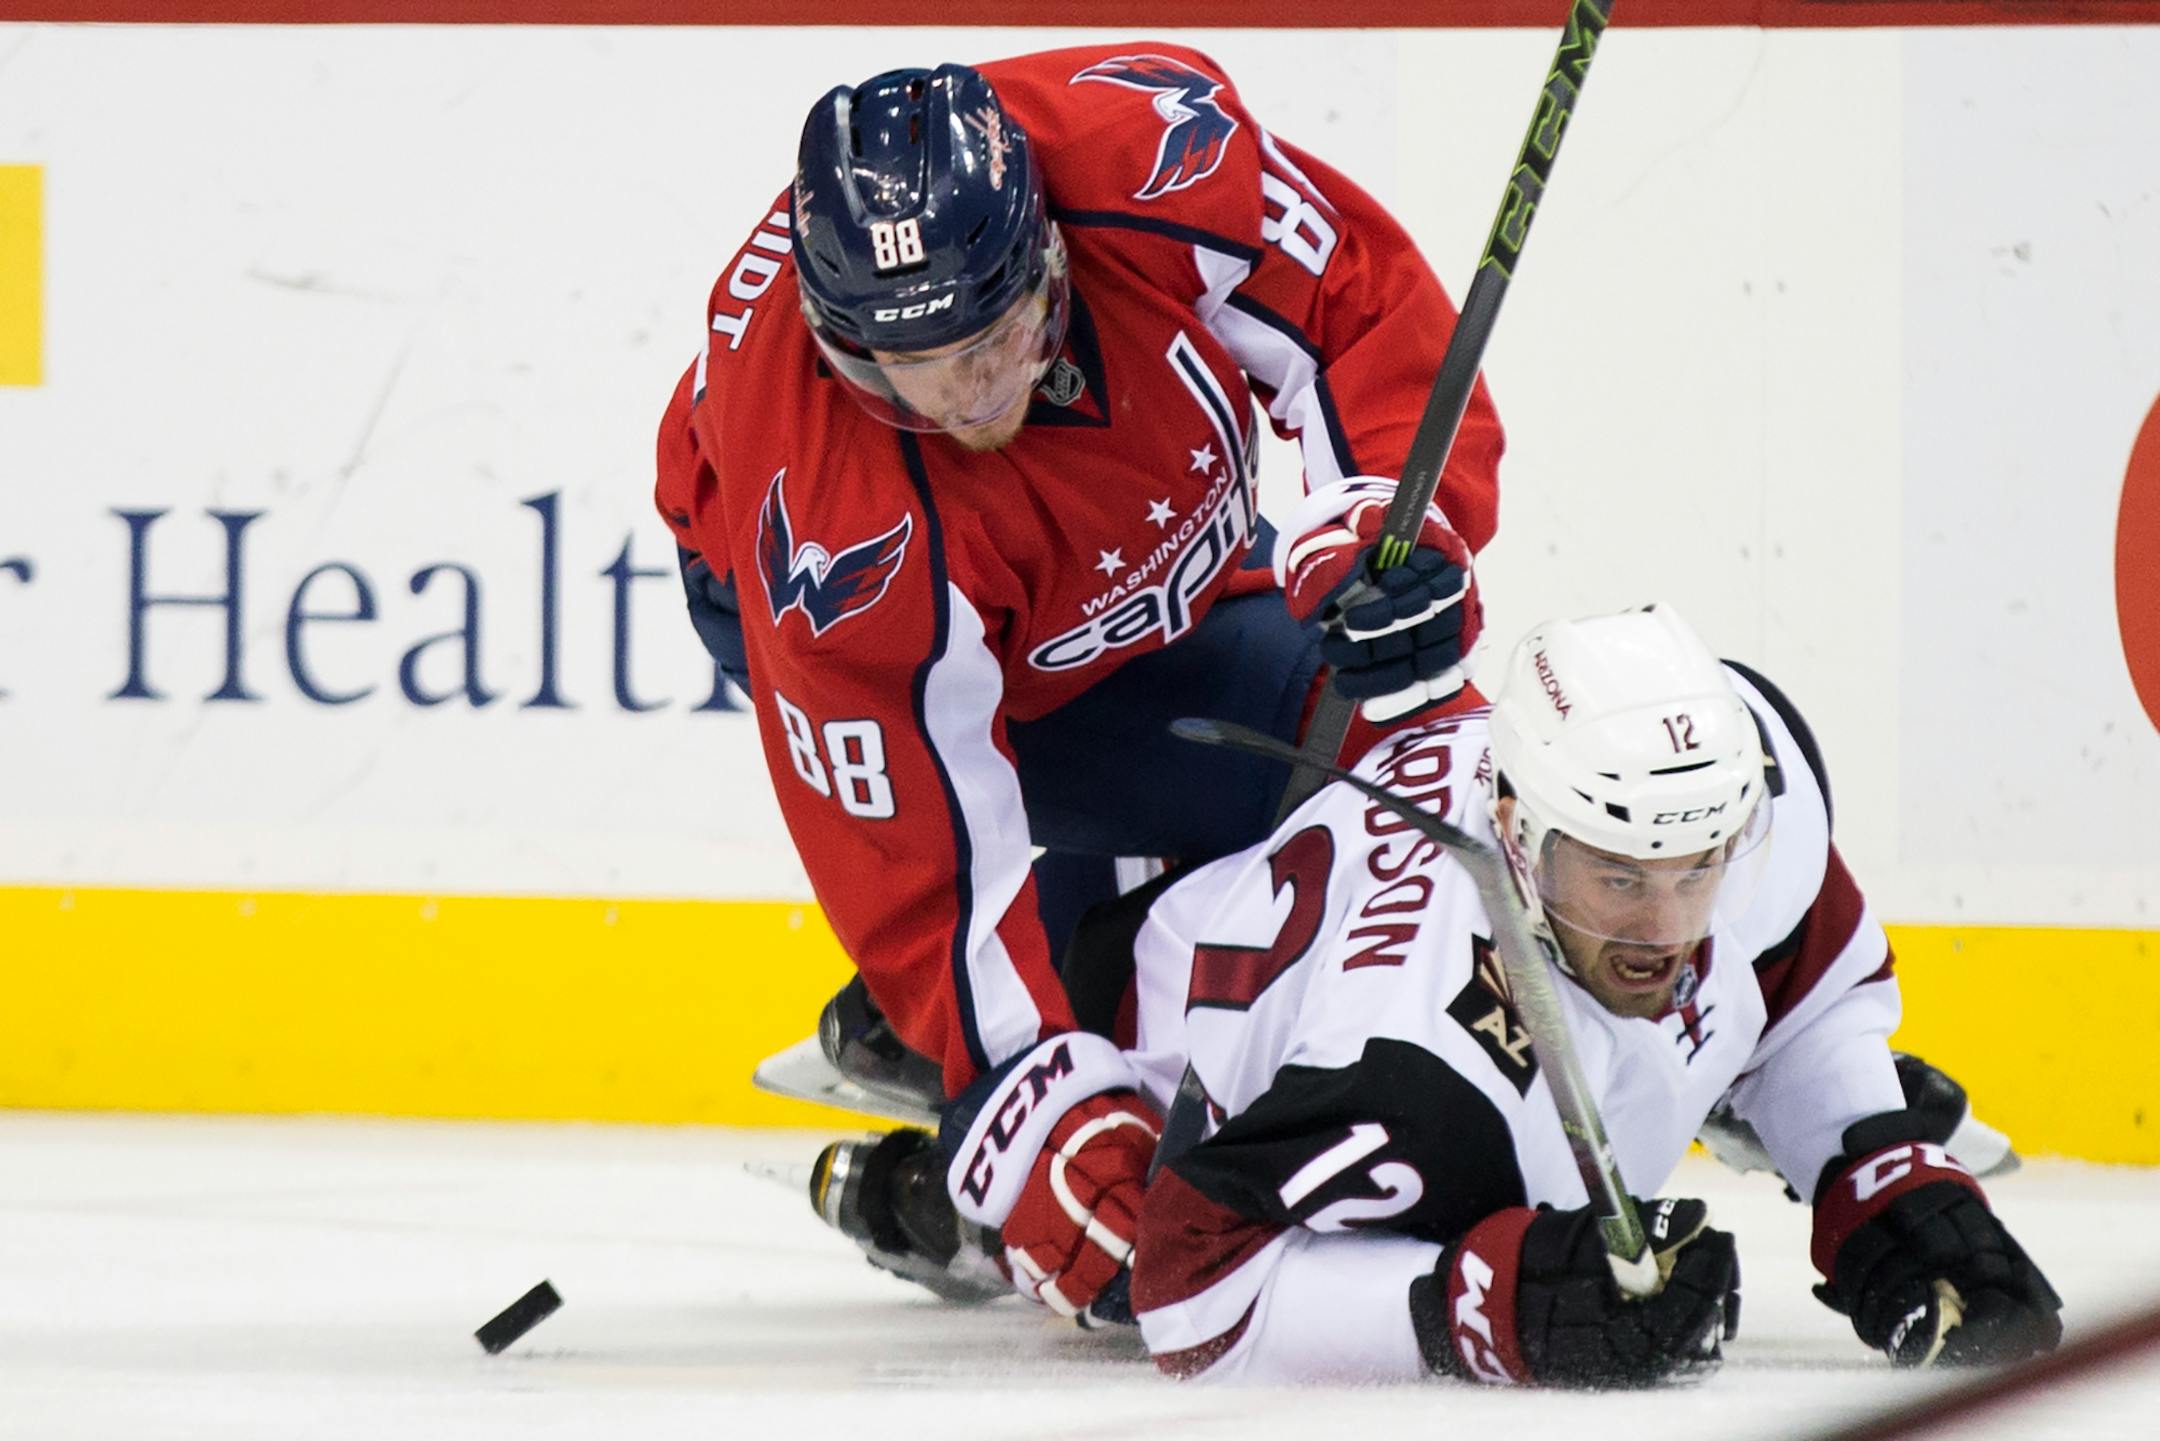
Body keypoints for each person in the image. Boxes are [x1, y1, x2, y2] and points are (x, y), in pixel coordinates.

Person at [655, 43, 1503, 1322]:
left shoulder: (1155, 161)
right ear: (844, 349)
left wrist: (1393, 516)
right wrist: (1031, 1106)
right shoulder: (832, 527)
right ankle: (994, 1035)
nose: (975, 390)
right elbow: (920, 854)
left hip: (1167, 571)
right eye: (920, 369)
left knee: (1389, 743)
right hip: (892, 610)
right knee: (1167, 823)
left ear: (1044, 245)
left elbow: (1358, 310)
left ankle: (1009, 995)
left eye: (995, 336)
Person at [930, 603, 2063, 1381]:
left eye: (1696, 870)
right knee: (1105, 1265)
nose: (1667, 930)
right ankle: (928, 1195)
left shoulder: (1739, 795)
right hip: (1143, 1039)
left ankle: (1706, 1085)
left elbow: (1802, 972)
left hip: (1274, 927)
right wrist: (1485, 1308)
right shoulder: (1410, 1066)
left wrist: (1880, 1176)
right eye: (1618, 876)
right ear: (1514, 830)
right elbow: (1189, 1289)